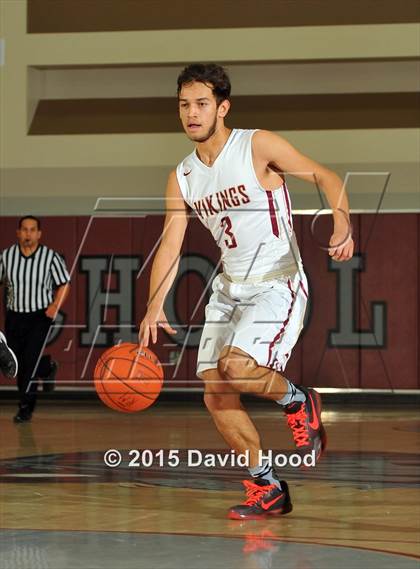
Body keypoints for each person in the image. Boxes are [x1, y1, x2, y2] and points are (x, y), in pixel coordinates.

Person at [139, 64, 354, 519]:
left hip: (278, 280)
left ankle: (299, 400)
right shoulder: (182, 176)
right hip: (229, 287)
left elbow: (326, 177)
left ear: (223, 107)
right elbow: (172, 242)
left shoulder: (257, 145)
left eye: (201, 104)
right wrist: (154, 303)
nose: (191, 114)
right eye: (184, 105)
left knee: (236, 367)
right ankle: (268, 487)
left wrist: (342, 224)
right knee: (215, 393)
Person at [0, 216, 71, 423]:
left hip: (39, 316)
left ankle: (25, 407)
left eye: (32, 230)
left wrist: (55, 306)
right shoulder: (7, 257)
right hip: (14, 316)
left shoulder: (50, 257)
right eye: (24, 229)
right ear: (18, 232)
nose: (28, 234)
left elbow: (64, 283)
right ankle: (47, 367)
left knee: (28, 362)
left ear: (39, 233)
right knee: (15, 361)